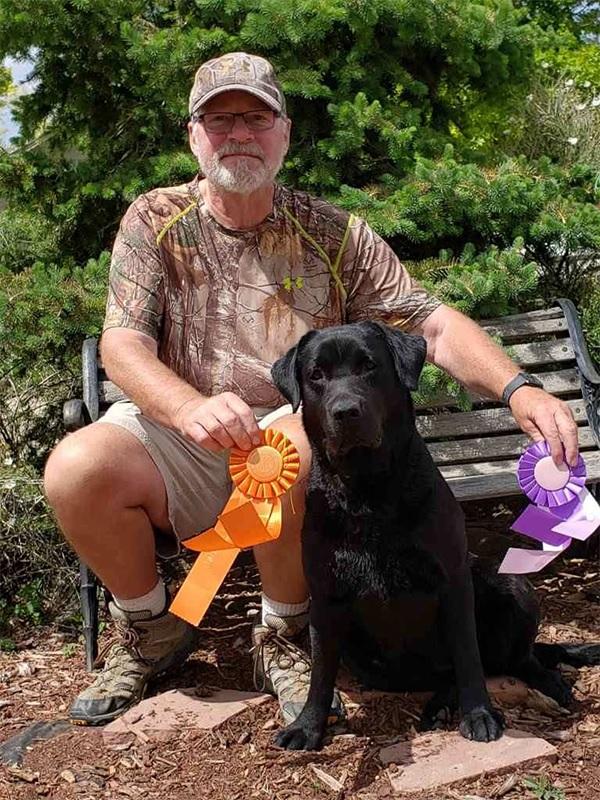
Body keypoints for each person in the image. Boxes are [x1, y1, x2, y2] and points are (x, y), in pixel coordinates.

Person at [43, 52, 579, 727]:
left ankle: (286, 637)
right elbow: (121, 345)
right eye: (219, 118)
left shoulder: (333, 233)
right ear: (193, 135)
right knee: (74, 468)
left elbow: (430, 324)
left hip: (289, 447)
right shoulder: (154, 220)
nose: (238, 133)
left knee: (295, 443)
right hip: (174, 432)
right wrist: (189, 407)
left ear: (285, 133)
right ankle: (151, 630)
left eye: (256, 118)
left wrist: (521, 389)